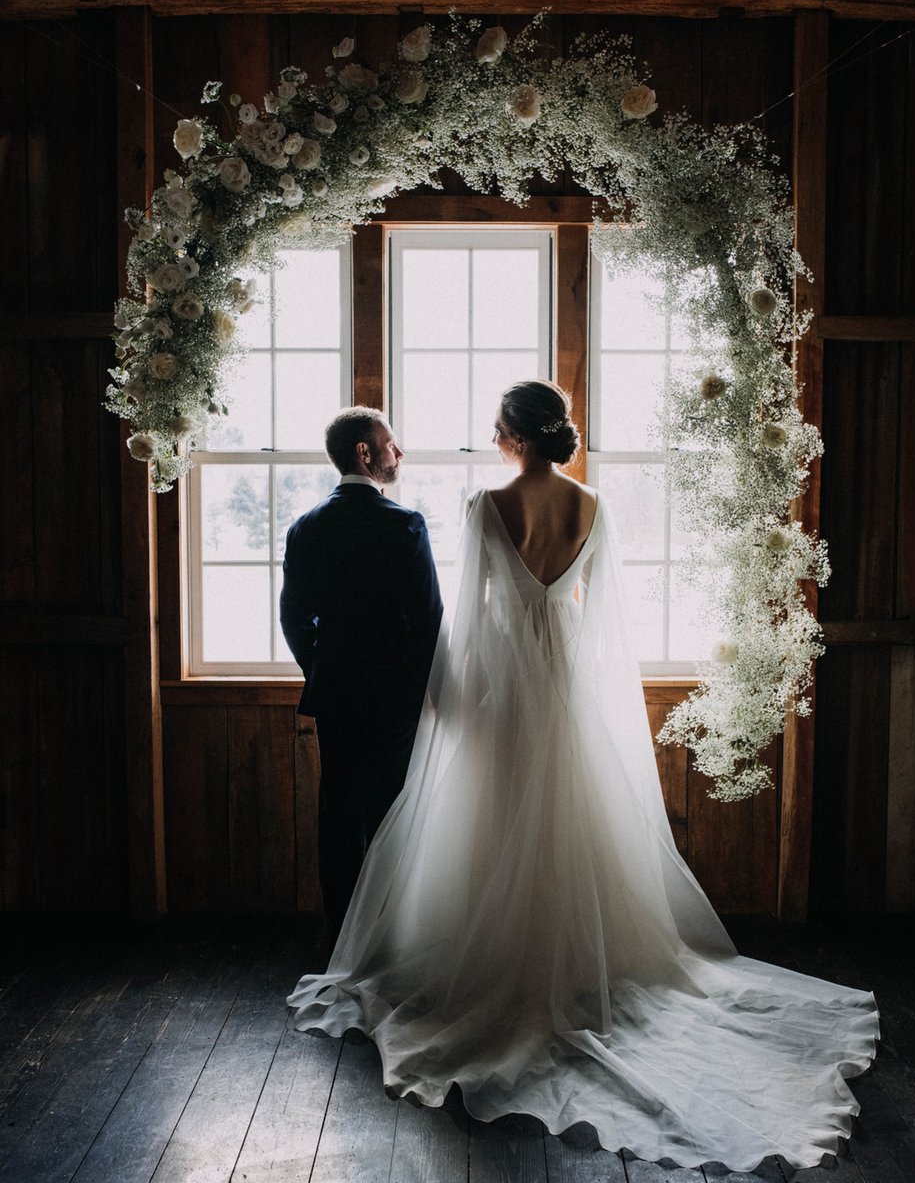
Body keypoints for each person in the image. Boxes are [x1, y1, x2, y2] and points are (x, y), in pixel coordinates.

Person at [287, 381, 878, 1172]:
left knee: (491, 826)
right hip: (566, 692)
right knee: (575, 821)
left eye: (496, 427)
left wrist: (451, 701)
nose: (491, 436)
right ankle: (576, 967)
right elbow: (594, 615)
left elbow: (461, 619)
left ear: (513, 435)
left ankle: (495, 964)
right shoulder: (592, 507)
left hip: (501, 693)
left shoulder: (482, 507)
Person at [280, 406, 443, 942]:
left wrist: (321, 665)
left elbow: (294, 616)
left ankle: (342, 931)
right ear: (365, 453)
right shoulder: (404, 524)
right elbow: (428, 618)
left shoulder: (306, 527)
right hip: (396, 695)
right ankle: (394, 930)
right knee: (392, 806)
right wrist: (425, 689)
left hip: (337, 691)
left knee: (339, 808)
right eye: (391, 443)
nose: (401, 453)